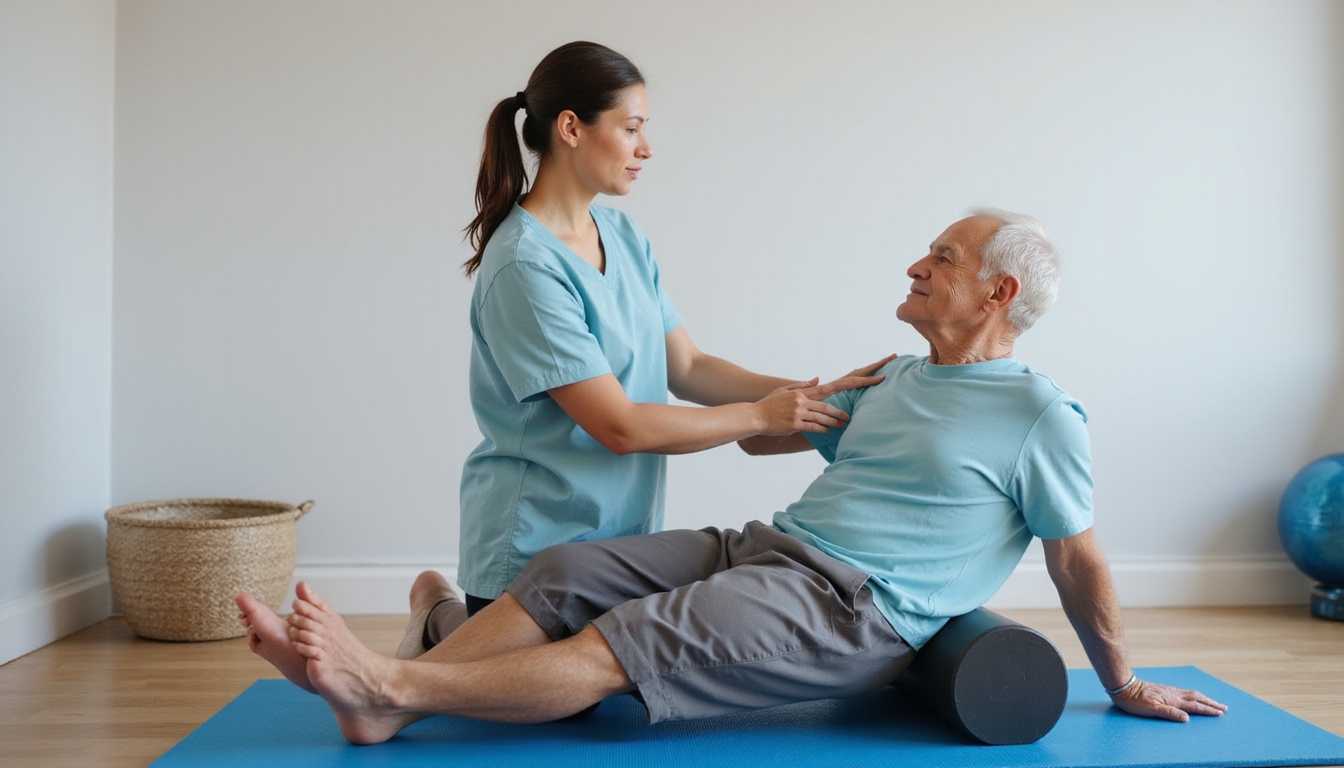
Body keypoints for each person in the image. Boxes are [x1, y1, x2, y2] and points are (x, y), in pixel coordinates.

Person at [236, 209, 1228, 744]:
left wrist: (1123, 679)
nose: (919, 263)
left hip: (852, 608)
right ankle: (392, 694)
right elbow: (762, 442)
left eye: (945, 255)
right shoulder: (892, 377)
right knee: (568, 572)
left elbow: (1077, 560)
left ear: (998, 293)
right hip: (768, 546)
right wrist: (801, 401)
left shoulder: (1038, 414)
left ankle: (391, 683)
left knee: (619, 645)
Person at [393, 40, 888, 658]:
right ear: (571, 128)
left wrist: (816, 394)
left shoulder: (622, 234)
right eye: (631, 129)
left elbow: (690, 368)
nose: (646, 148)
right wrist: (763, 416)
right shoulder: (524, 264)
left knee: (595, 683)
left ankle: (444, 623)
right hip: (533, 544)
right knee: (547, 699)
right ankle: (438, 616)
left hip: (619, 542)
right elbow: (618, 426)